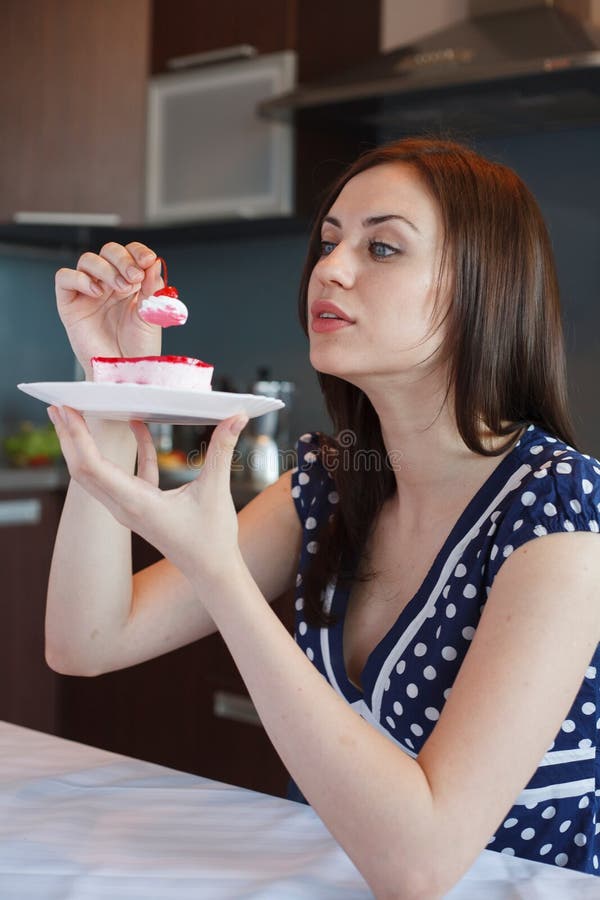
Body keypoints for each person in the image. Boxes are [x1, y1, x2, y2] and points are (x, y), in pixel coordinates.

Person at [46, 137, 600, 897]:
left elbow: (420, 864)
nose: (331, 268)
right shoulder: (332, 480)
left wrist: (220, 573)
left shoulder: (561, 512)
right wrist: (114, 380)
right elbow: (86, 640)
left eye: (383, 247)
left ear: (483, 288)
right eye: (331, 240)